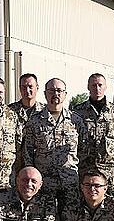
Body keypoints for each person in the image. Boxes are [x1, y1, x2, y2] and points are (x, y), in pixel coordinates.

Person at [23, 78, 86, 213]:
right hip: (44, 183)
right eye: (51, 91)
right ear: (45, 94)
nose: (55, 94)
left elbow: (84, 151)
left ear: (65, 94)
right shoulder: (34, 121)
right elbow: (28, 152)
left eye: (59, 91)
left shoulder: (76, 121)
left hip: (70, 182)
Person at [72, 73, 114, 195]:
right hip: (85, 170)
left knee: (112, 205)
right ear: (88, 87)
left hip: (109, 171)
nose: (97, 88)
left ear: (105, 87)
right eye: (93, 85)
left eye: (100, 85)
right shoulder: (77, 112)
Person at [8, 73, 44, 174]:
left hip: (39, 165)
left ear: (37, 87)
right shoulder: (8, 112)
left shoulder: (45, 112)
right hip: (14, 166)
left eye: (30, 86)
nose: (27, 90)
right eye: (23, 87)